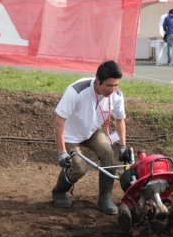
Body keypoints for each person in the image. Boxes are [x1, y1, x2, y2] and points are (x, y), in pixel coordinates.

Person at [51, 60, 130, 215]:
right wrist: (62, 152)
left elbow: (120, 120)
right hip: (70, 134)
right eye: (109, 85)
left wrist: (122, 145)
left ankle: (105, 199)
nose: (112, 89)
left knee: (108, 153)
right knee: (79, 167)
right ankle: (59, 191)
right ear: (97, 80)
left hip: (92, 130)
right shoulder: (77, 91)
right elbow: (59, 122)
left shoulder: (116, 95)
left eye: (116, 85)